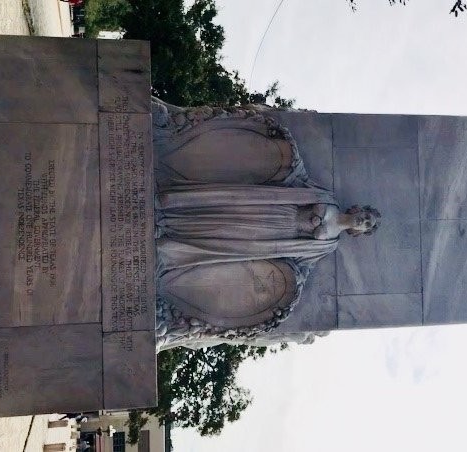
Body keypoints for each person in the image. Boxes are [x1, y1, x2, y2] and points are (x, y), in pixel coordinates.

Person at [152, 99, 380, 349]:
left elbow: (301, 264)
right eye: (366, 216)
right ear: (358, 209)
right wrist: (285, 149)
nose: (363, 221)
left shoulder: (328, 246)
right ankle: (166, 217)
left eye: (366, 225)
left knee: (221, 233)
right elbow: (297, 181)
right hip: (271, 209)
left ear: (359, 232)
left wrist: (291, 288)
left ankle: (167, 236)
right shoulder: (327, 199)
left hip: (268, 238)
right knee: (221, 215)